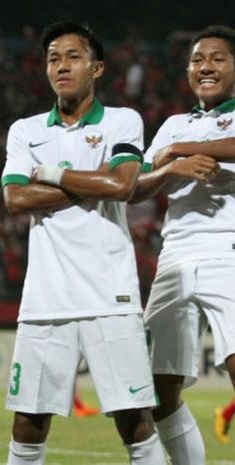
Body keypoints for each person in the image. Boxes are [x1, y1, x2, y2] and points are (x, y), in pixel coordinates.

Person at [1, 21, 165, 464]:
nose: (61, 66)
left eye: (73, 56)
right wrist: (99, 180)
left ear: (97, 68)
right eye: (53, 58)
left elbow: (125, 185)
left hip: (109, 293)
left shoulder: (122, 120)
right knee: (28, 422)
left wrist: (51, 174)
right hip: (45, 299)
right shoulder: (25, 129)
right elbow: (15, 198)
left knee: (133, 419)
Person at [130, 25, 235, 464]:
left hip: (229, 253)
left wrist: (178, 149)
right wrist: (175, 163)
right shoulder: (173, 122)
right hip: (173, 259)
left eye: (217, 58)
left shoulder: (177, 134)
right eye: (196, 59)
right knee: (157, 389)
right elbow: (136, 187)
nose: (204, 66)